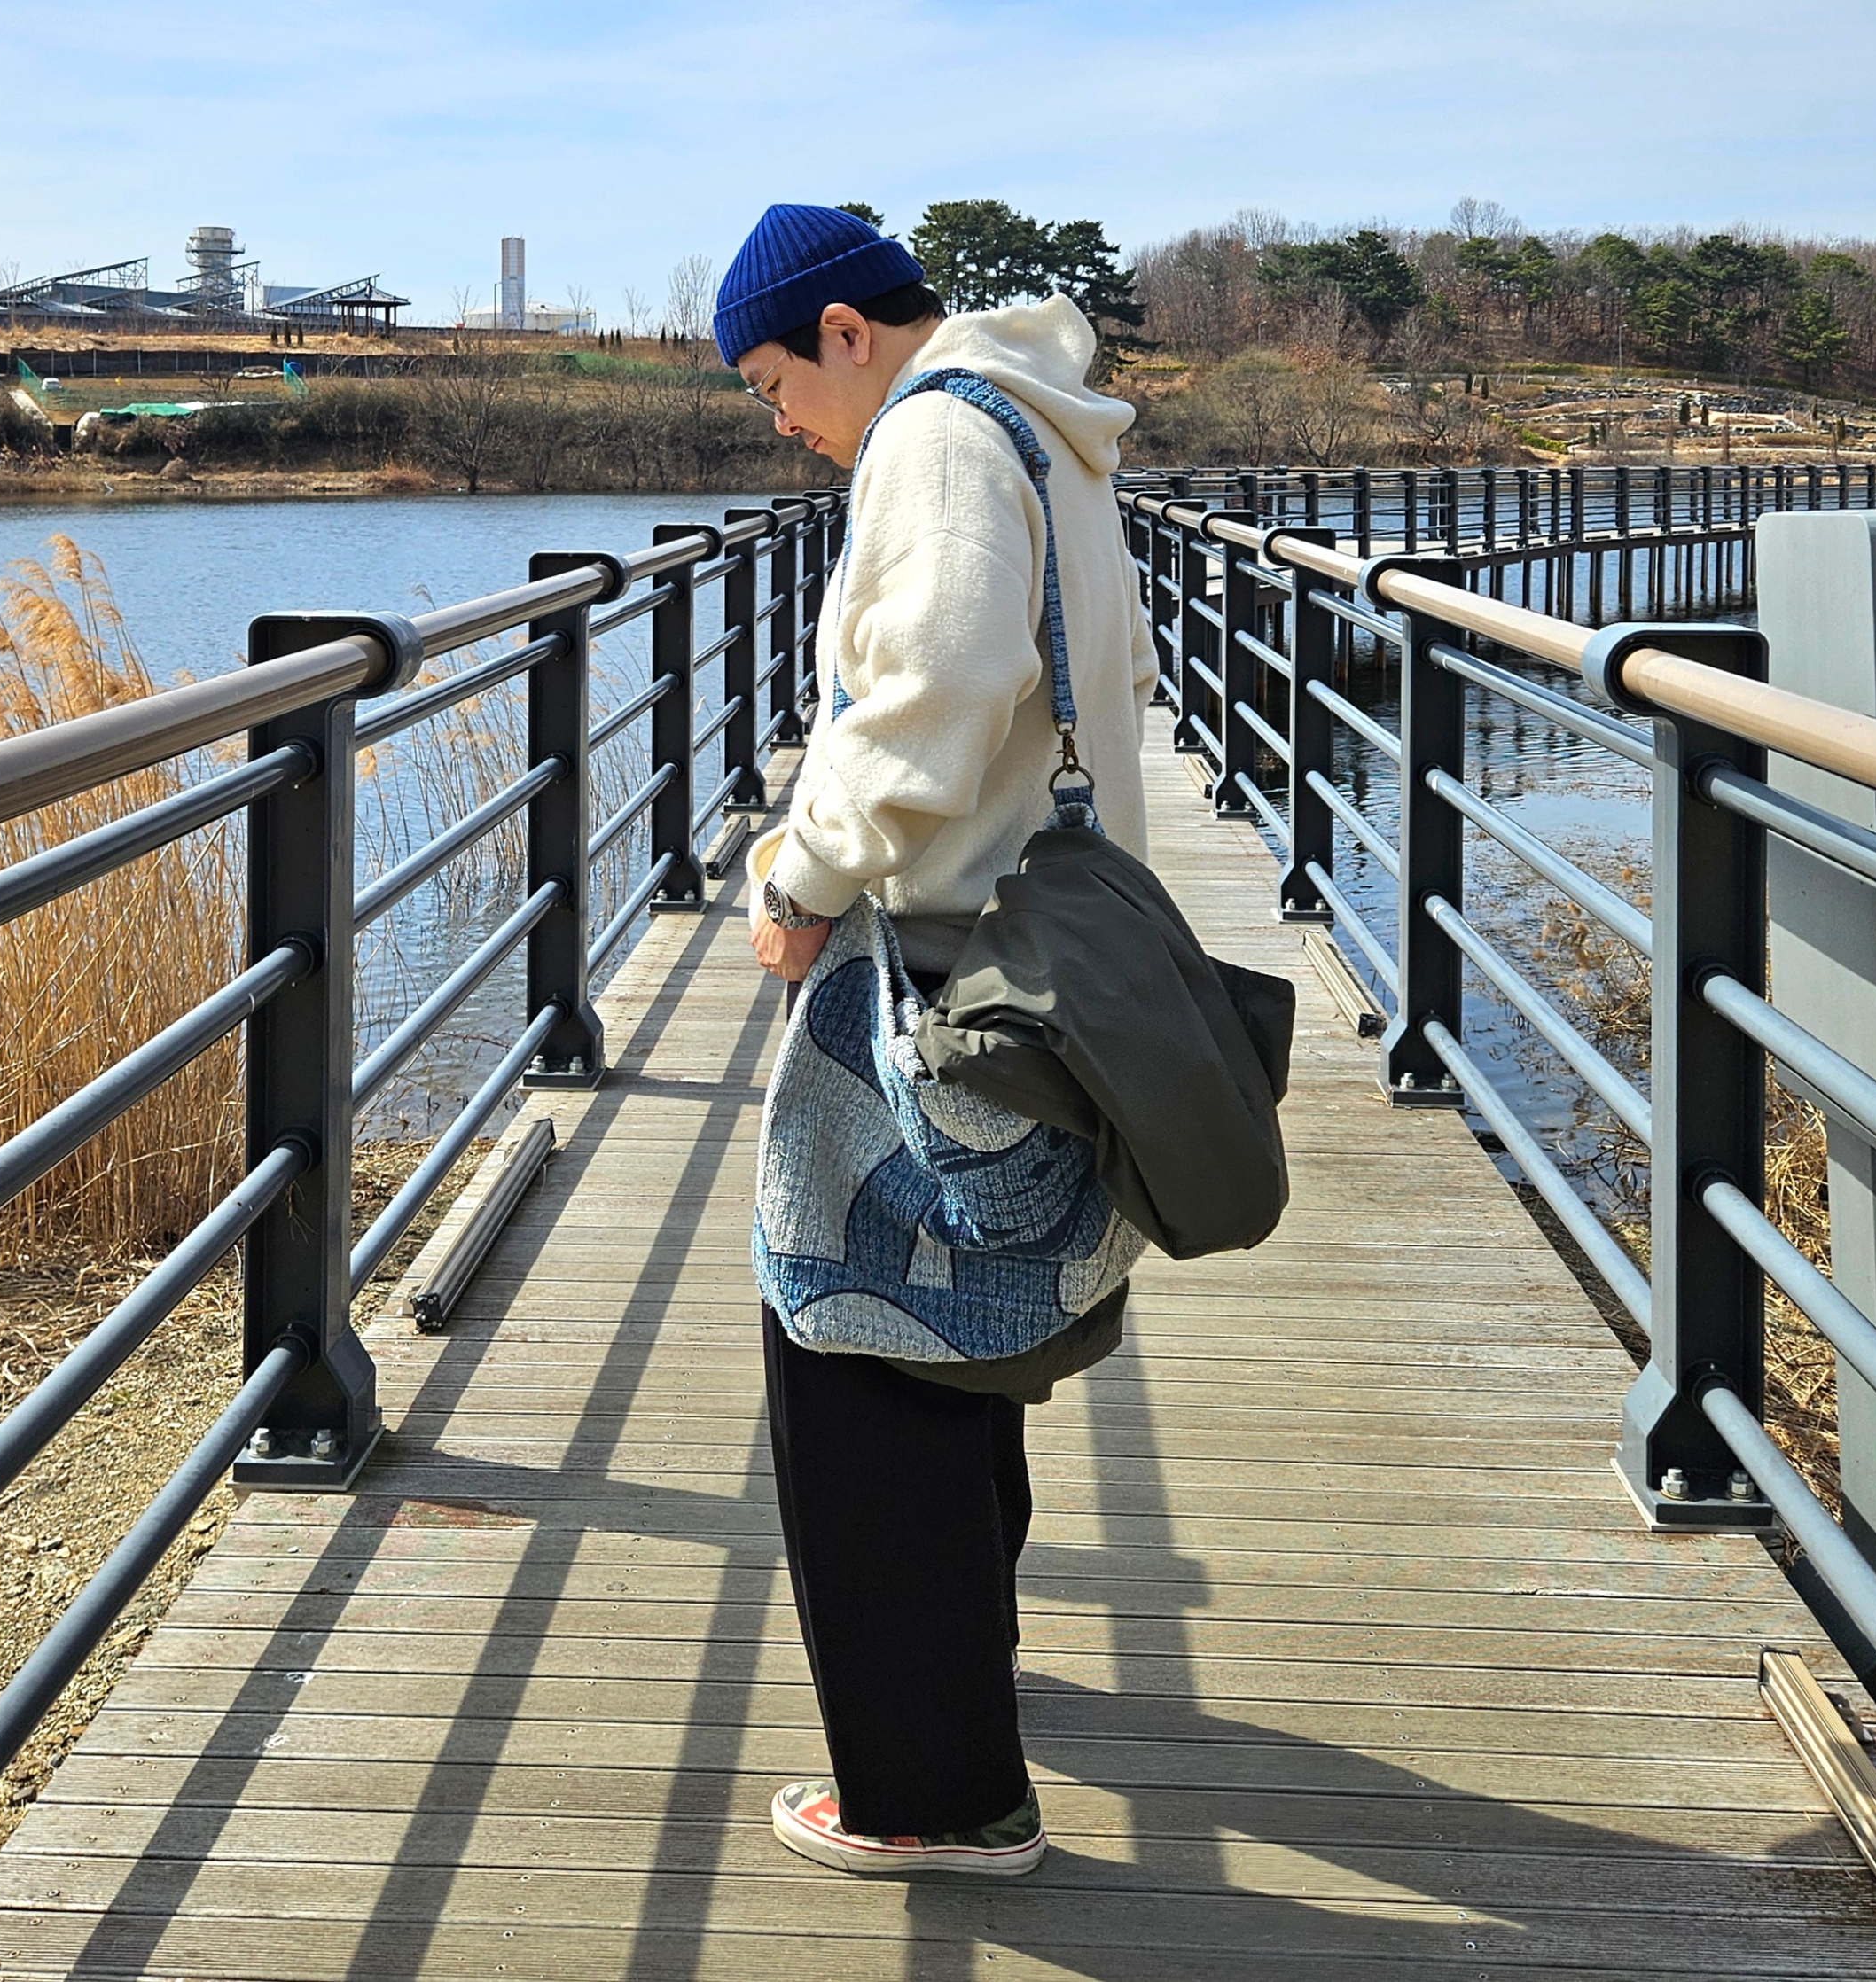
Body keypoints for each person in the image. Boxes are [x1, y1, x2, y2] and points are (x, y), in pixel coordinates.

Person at [715, 204, 1156, 1877]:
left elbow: (935, 687)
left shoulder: (938, 437)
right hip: (1031, 958)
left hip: (943, 957)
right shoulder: (1033, 422)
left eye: (773, 383)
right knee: (965, 1338)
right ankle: (960, 1693)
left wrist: (801, 866)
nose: (784, 426)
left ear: (843, 331)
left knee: (851, 1345)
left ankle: (935, 1791)